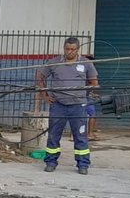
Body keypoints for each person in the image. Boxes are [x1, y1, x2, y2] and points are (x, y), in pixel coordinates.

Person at [35, 37, 99, 174]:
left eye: (72, 49)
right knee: (53, 135)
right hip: (58, 105)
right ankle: (51, 162)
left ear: (78, 49)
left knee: (80, 137)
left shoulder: (86, 63)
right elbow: (40, 75)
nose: (69, 52)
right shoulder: (54, 62)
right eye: (67, 49)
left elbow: (94, 83)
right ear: (64, 48)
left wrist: (84, 94)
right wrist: (44, 95)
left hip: (78, 106)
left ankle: (83, 164)